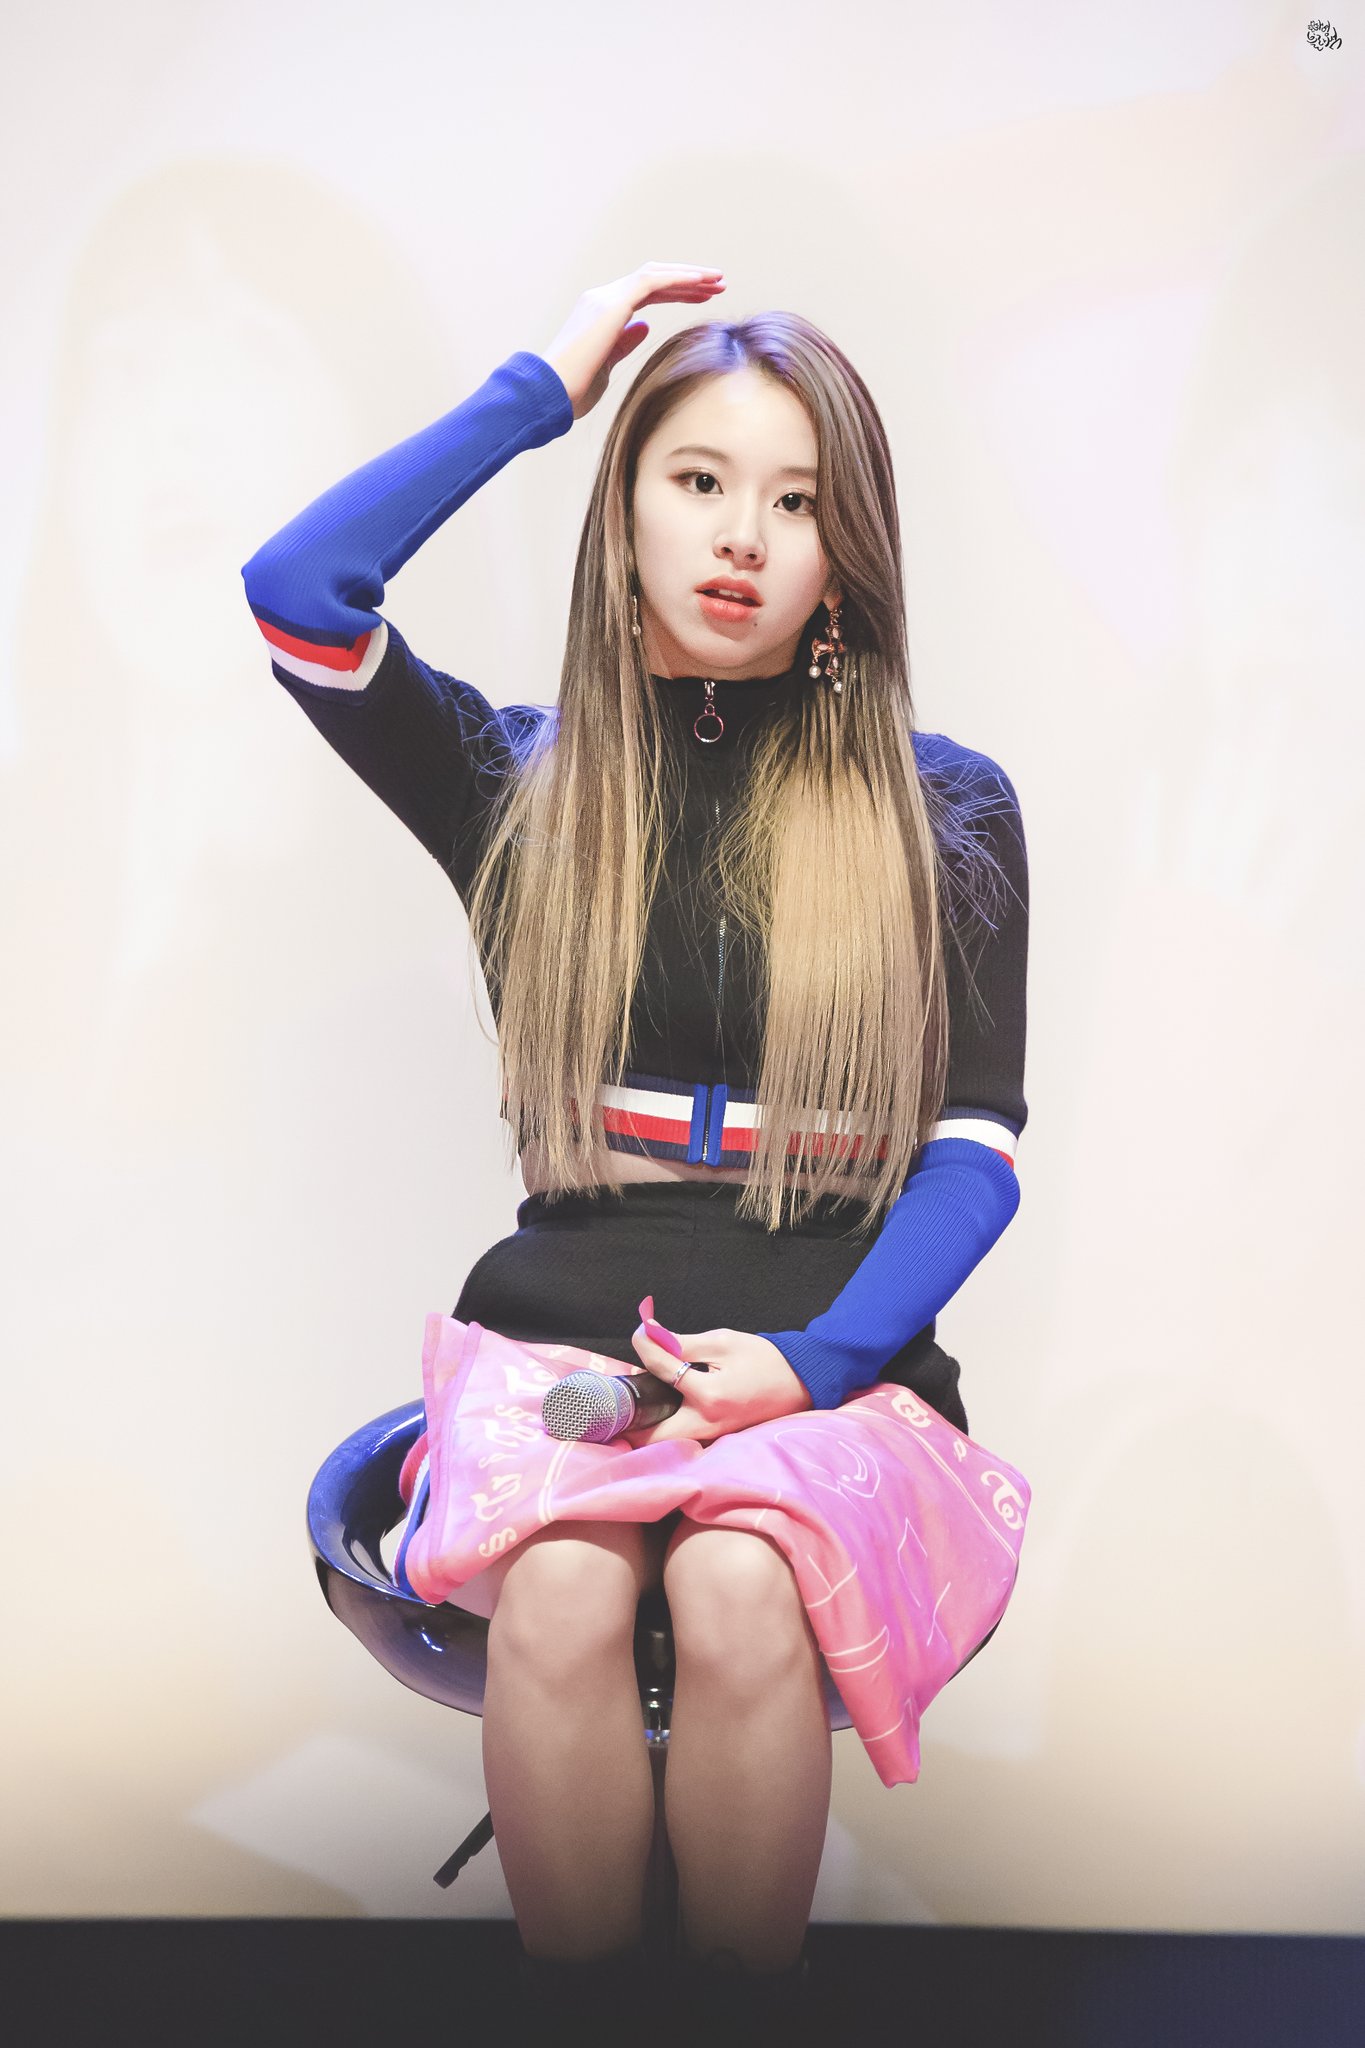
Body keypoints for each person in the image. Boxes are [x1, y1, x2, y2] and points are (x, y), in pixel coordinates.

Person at [241, 260, 1029, 2039]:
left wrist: (809, 1364)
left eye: (796, 500)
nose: (742, 533)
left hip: (830, 1370)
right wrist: (539, 390)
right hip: (561, 1359)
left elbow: (972, 1153)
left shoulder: (945, 808)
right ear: (627, 515)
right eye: (697, 479)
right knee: (560, 1585)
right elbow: (299, 590)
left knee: (746, 1581)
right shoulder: (517, 784)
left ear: (845, 558)